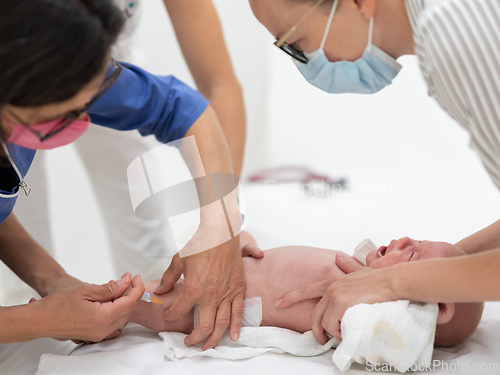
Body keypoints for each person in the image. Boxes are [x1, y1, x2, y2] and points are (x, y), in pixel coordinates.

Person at [247, 0, 500, 342]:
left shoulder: (452, 33)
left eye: (296, 44)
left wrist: (391, 282)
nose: (303, 65)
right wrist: (433, 265)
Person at [0, 0, 246, 348]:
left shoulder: (60, 68)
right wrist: (37, 319)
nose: (86, 117)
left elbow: (185, 110)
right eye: (70, 111)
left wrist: (221, 226)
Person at [131, 232, 484, 348]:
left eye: (412, 253)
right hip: (234, 261)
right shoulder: (361, 271)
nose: (403, 239)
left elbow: (387, 341)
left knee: (150, 301)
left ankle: (125, 304)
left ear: (435, 309)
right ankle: (123, 297)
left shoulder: (373, 315)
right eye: (416, 239)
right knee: (148, 289)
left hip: (213, 305)